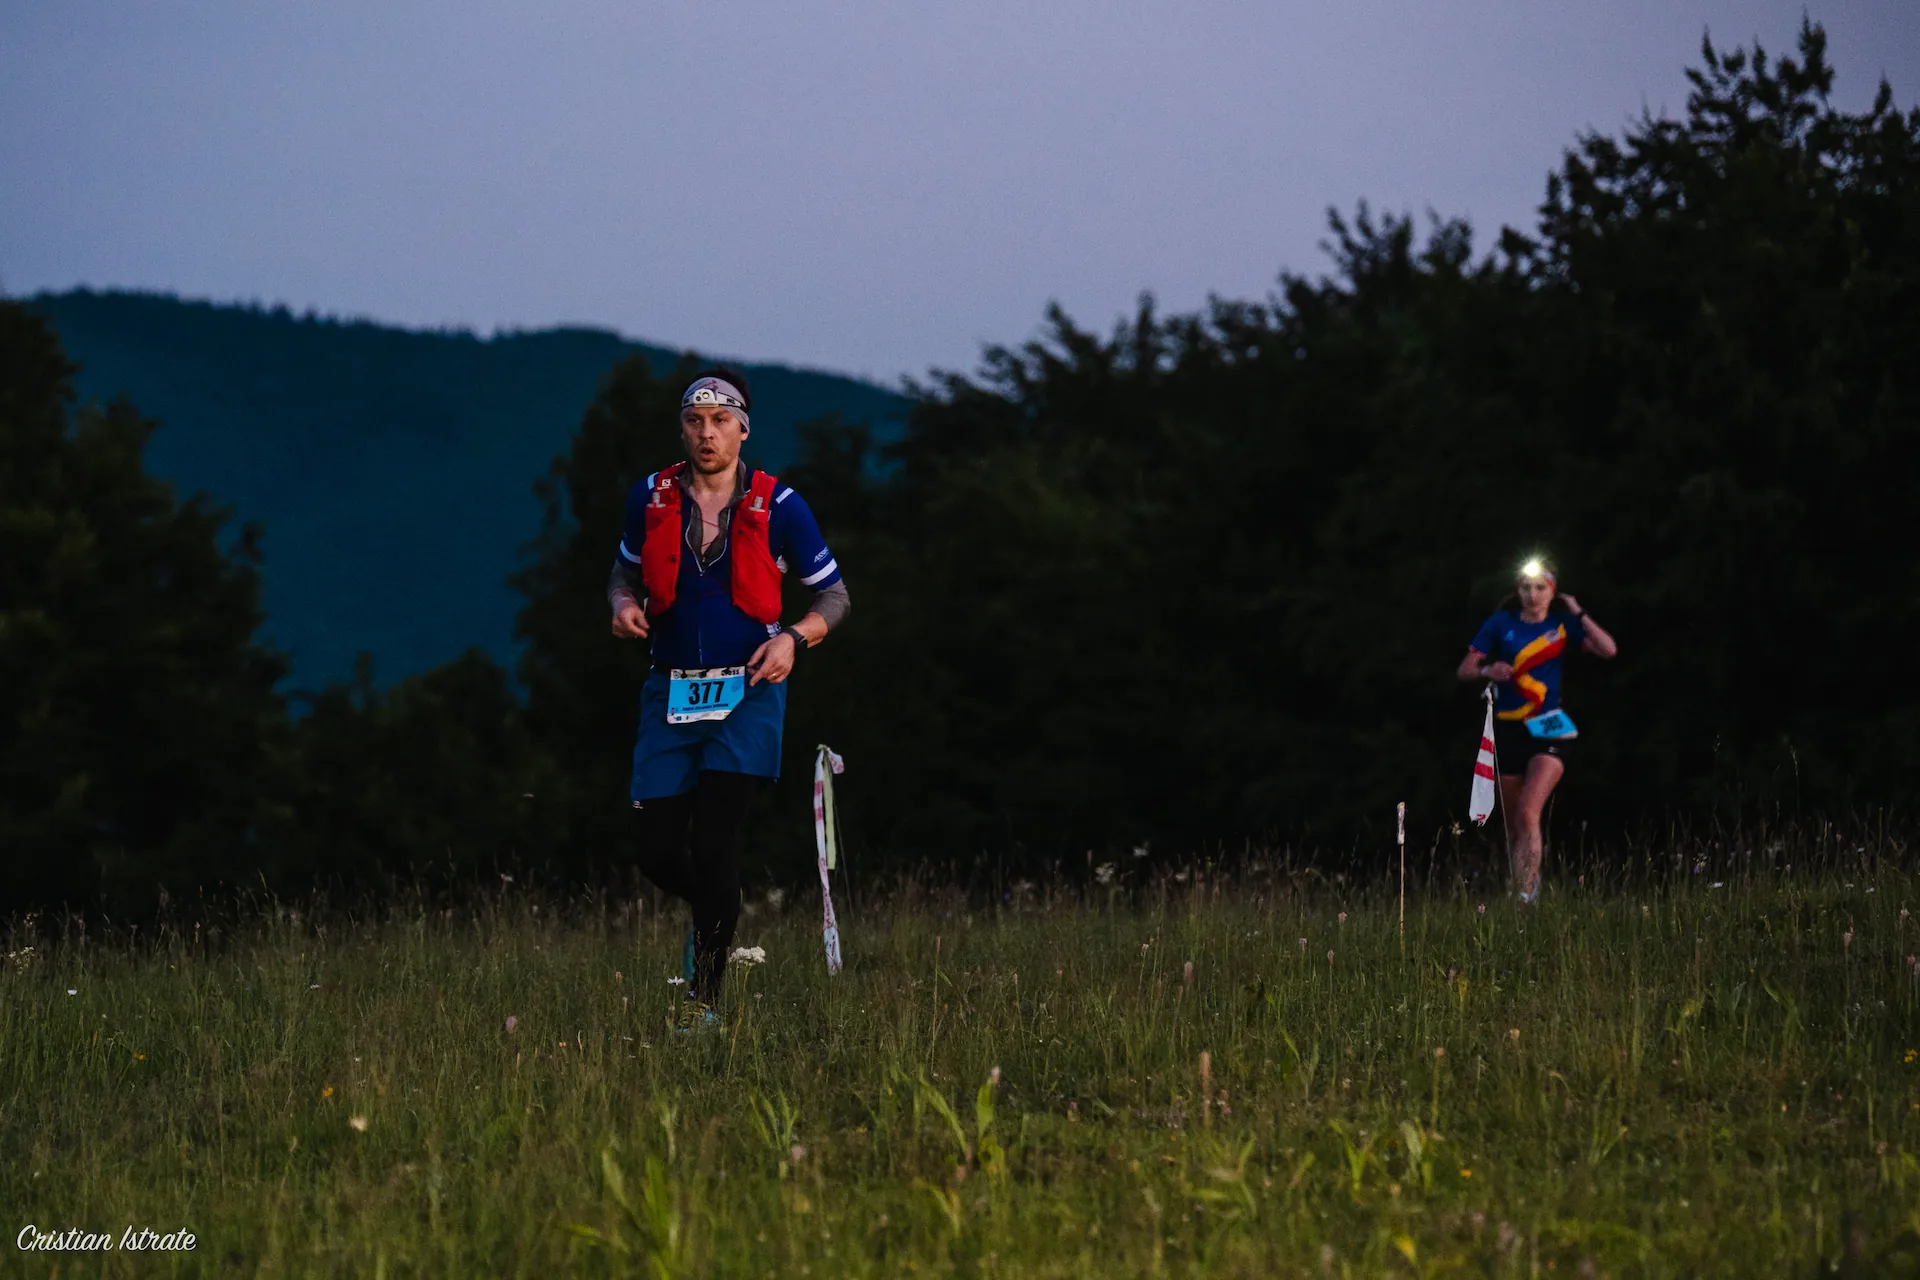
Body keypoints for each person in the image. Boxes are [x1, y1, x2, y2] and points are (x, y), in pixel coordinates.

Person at [607, 368, 849, 1021]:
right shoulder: (650, 497)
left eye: (720, 420)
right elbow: (623, 574)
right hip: (670, 690)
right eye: (694, 420)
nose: (707, 433)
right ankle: (716, 915)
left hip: (748, 691)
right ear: (682, 427)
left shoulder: (781, 505)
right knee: (658, 853)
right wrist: (622, 604)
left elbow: (834, 596)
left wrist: (794, 640)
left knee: (715, 844)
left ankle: (704, 1002)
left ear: (744, 427)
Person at [1456, 557, 1617, 902]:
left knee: (1530, 808)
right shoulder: (1501, 622)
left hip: (1548, 729)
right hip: (1508, 728)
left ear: (1552, 591)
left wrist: (1578, 612)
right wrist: (1488, 670)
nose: (1532, 594)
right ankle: (1525, 890)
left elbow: (1608, 649)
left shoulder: (1562, 626)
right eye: (1525, 587)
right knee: (1516, 821)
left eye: (1540, 588)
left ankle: (1526, 895)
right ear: (1517, 590)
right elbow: (1466, 669)